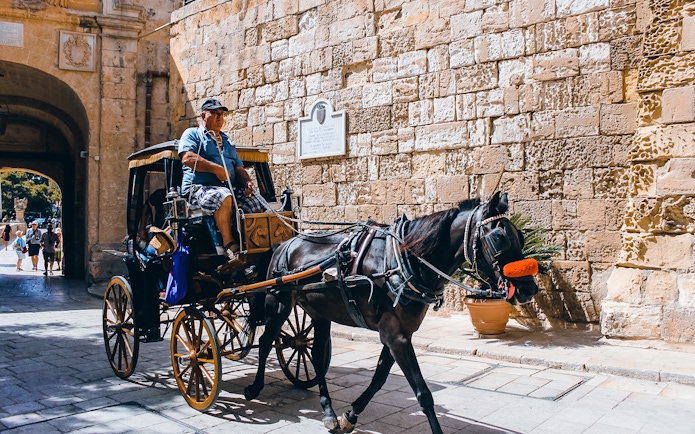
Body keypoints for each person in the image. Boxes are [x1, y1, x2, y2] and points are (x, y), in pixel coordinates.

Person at [178, 98, 264, 261]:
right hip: (198, 189)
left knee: (256, 201)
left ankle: (255, 243)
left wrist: (247, 182)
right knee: (223, 196)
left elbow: (239, 168)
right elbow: (187, 158)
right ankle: (228, 245)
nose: (219, 117)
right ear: (204, 115)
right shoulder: (192, 134)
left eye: (221, 114)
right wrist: (216, 169)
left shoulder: (227, 141)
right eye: (214, 113)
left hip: (226, 188)